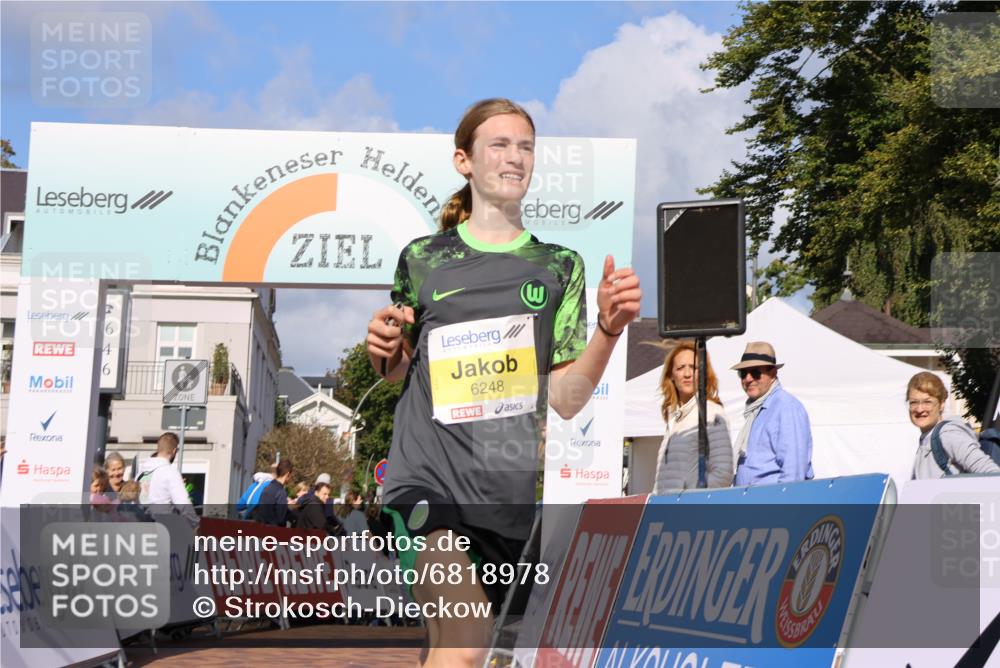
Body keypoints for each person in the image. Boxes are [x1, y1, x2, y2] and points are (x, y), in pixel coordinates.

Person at [366, 98, 641, 667]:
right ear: (463, 161)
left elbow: (565, 400)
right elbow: (398, 369)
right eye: (499, 144)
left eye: (525, 146)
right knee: (466, 645)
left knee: (448, 647)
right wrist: (383, 351)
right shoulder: (422, 258)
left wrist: (609, 331)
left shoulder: (559, 266)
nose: (515, 157)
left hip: (504, 492)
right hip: (426, 482)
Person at [652, 341, 733, 492]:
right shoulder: (674, 418)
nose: (687, 374)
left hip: (690, 511)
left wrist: (687, 495)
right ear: (671, 376)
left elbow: (723, 475)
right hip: (666, 511)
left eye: (694, 367)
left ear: (703, 373)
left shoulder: (711, 413)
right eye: (681, 368)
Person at [732, 342, 814, 486]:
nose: (748, 379)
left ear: (773, 373)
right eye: (743, 373)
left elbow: (793, 473)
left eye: (756, 373)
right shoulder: (757, 410)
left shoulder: (786, 407)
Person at [907, 371, 1000, 478]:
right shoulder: (926, 439)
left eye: (927, 402)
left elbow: (991, 472)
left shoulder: (948, 434)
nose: (919, 409)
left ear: (942, 404)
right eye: (913, 402)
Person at [137, 432, 200, 528]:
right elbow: (183, 503)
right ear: (174, 451)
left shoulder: (141, 472)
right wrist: (196, 523)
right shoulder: (170, 472)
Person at [252, 458, 294, 526]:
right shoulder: (281, 492)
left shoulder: (267, 487)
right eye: (291, 475)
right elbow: (281, 518)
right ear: (288, 474)